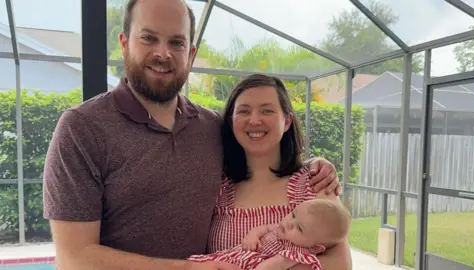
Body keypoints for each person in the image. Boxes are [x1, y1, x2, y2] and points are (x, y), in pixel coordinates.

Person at [42, 0, 341, 269]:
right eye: (149, 38)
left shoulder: (211, 127)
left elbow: (260, 148)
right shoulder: (81, 129)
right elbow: (74, 258)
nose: (163, 53)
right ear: (124, 43)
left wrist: (317, 165)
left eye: (176, 42)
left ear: (191, 53)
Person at [197, 73, 353, 270]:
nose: (254, 120)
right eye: (244, 111)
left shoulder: (315, 183)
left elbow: (341, 265)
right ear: (231, 122)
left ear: (287, 121)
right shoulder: (216, 187)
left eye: (267, 111)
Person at [188, 199, 351, 270]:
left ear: (315, 247)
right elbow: (263, 228)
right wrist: (252, 236)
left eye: (299, 228)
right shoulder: (281, 228)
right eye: (293, 214)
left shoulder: (298, 255)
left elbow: (273, 265)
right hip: (236, 254)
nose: (289, 222)